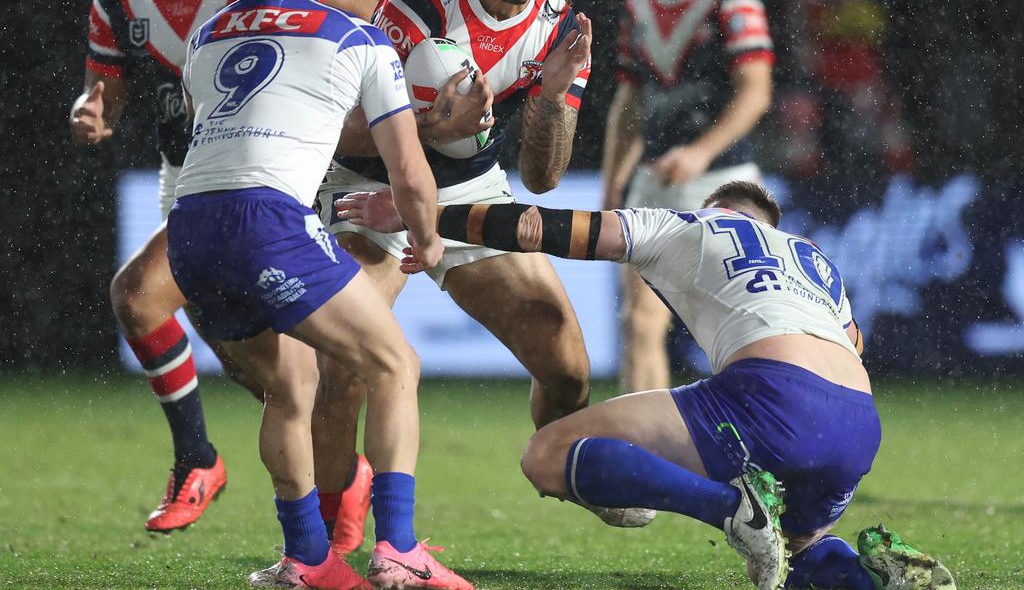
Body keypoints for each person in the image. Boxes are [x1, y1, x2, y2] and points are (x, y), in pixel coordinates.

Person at [337, 181, 956, 590]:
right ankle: (870, 576)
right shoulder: (815, 259)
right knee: (798, 550)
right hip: (859, 421)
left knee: (548, 452)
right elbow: (855, 347)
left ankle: (730, 509)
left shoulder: (685, 224)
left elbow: (539, 228)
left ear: (716, 207)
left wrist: (427, 218)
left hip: (771, 395)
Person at [69, 0, 376, 543]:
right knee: (264, 373)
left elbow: (371, 13)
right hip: (193, 175)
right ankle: (340, 480)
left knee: (139, 294)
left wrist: (402, 93)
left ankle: (200, 462)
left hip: (273, 170)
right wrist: (90, 114)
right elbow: (105, 97)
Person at [167, 0, 472, 590]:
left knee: (288, 386)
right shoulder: (358, 37)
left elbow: (213, 133)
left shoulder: (206, 36)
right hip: (267, 222)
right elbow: (410, 171)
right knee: (394, 364)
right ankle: (399, 552)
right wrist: (425, 239)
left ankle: (305, 559)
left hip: (188, 230)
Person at [320, 0, 596, 436]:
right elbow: (342, 135)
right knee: (347, 366)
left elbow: (543, 180)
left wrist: (548, 99)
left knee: (567, 372)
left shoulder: (561, 32)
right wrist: (431, 124)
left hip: (466, 188)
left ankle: (562, 469)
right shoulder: (418, 2)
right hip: (373, 183)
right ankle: (331, 523)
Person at [602, 0, 774, 393]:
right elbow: (629, 104)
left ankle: (750, 447)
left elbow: (756, 93)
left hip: (727, 184)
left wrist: (700, 152)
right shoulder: (637, 6)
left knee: (744, 331)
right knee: (638, 323)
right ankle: (647, 452)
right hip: (655, 185)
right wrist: (614, 185)